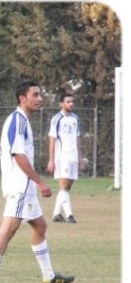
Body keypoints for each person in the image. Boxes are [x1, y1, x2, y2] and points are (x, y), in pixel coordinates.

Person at [0, 80, 74, 283]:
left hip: (25, 188)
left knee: (40, 227)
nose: (40, 99)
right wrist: (39, 182)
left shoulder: (22, 120)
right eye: (35, 95)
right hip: (20, 186)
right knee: (8, 229)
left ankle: (49, 277)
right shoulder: (18, 120)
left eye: (40, 95)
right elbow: (18, 154)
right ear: (23, 99)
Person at [46, 93, 82, 223]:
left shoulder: (75, 119)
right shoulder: (57, 119)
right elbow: (52, 140)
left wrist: (80, 157)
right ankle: (69, 215)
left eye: (72, 101)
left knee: (67, 187)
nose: (71, 104)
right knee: (64, 185)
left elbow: (77, 138)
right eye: (68, 102)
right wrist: (51, 160)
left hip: (73, 157)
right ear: (61, 104)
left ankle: (56, 214)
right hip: (62, 157)